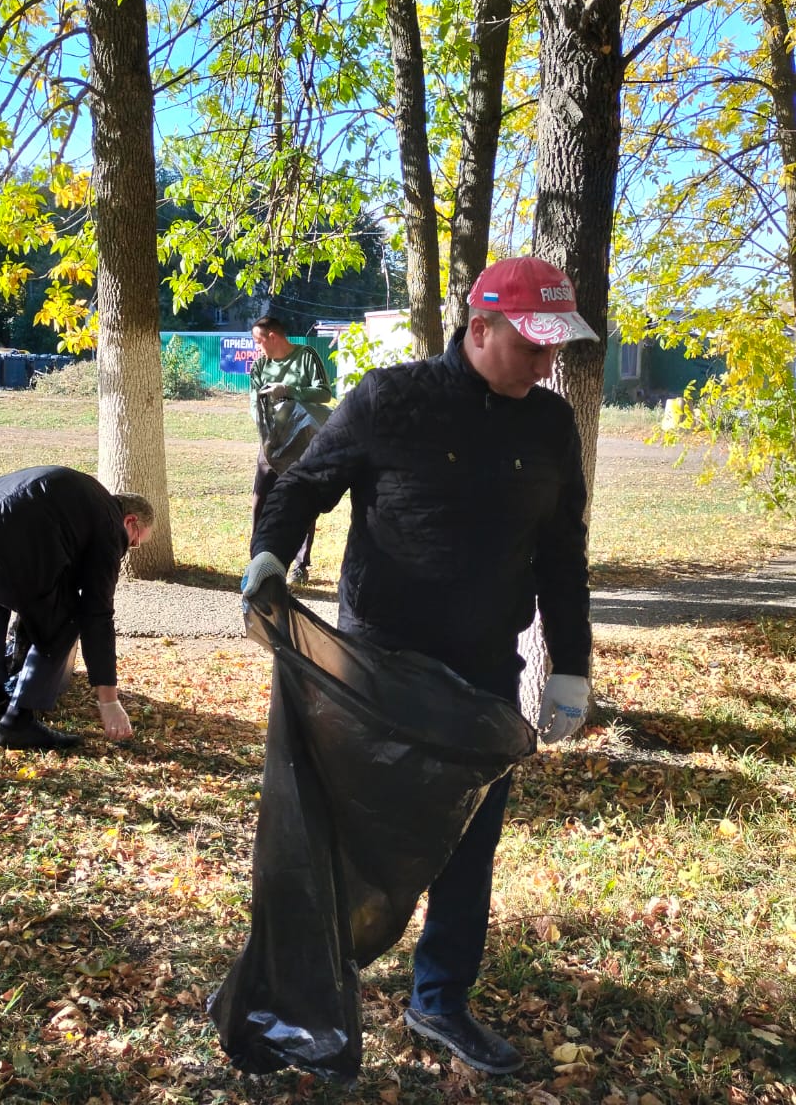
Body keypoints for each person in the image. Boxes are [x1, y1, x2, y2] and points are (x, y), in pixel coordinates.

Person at [240, 256, 598, 1075]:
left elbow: (562, 554)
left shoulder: (548, 425)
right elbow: (303, 485)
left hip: (483, 675)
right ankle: (310, 993)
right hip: (377, 672)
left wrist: (570, 665)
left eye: (554, 351)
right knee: (347, 836)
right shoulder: (389, 400)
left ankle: (440, 1001)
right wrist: (268, 553)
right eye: (533, 347)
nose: (548, 366)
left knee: (468, 846)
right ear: (479, 329)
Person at [0, 466, 156, 751]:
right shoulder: (109, 523)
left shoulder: (81, 498)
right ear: (130, 520)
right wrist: (108, 700)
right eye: (133, 542)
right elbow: (96, 612)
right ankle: (17, 723)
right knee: (68, 616)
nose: (127, 548)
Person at [248, 315, 333, 585]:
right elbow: (253, 403)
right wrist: (266, 430)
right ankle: (257, 559)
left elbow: (324, 393)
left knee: (302, 501)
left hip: (302, 445)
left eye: (259, 341)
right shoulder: (260, 365)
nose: (257, 347)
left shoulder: (306, 356)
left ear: (273, 337)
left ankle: (300, 565)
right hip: (272, 444)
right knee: (260, 501)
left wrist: (289, 390)